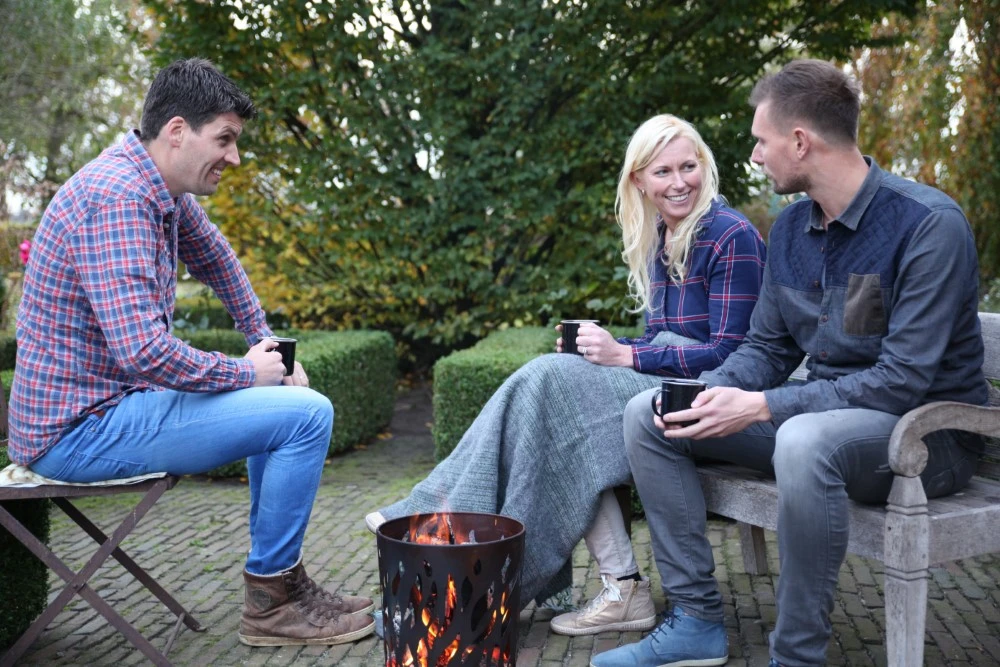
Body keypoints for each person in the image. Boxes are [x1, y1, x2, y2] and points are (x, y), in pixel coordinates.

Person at [592, 59, 987, 667]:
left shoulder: (927, 226)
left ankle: (796, 656)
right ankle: (695, 620)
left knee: (804, 440)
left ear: (800, 141)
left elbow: (902, 380)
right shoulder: (791, 231)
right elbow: (769, 349)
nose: (753, 155)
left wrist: (766, 404)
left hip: (925, 437)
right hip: (824, 418)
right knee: (652, 413)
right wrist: (712, 393)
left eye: (761, 140)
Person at [8, 58, 376, 648]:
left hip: (115, 406)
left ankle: (278, 586)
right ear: (177, 131)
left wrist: (268, 347)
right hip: (80, 430)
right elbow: (143, 352)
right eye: (225, 140)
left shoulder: (159, 187)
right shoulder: (116, 198)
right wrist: (243, 371)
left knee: (286, 398)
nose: (234, 158)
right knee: (309, 415)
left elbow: (219, 262)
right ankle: (272, 605)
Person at [367, 114, 766, 635]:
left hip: (716, 402)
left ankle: (433, 515)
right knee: (558, 400)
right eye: (662, 171)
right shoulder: (660, 237)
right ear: (638, 181)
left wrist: (625, 356)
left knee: (551, 385)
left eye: (688, 167)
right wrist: (612, 349)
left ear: (704, 167)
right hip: (669, 394)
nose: (678, 182)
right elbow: (660, 340)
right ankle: (616, 588)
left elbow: (730, 355)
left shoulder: (730, 234)